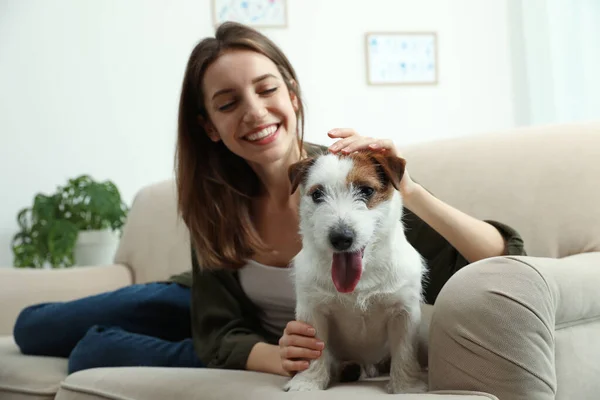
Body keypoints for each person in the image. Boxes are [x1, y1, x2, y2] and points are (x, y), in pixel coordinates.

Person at [173, 20, 527, 380]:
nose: (254, 111)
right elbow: (215, 330)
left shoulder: (361, 186)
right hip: (180, 296)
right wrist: (279, 356)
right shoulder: (215, 204)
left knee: (114, 335)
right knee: (116, 321)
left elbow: (502, 260)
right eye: (229, 103)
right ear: (210, 127)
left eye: (266, 89)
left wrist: (410, 190)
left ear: (292, 95)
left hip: (195, 320)